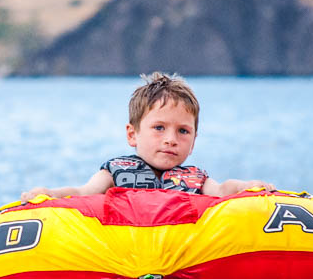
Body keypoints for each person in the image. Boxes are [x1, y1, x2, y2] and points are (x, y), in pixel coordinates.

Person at [20, 72, 272, 202]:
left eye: (183, 131)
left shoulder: (196, 178)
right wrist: (49, 193)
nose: (171, 139)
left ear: (194, 142)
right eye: (159, 128)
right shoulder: (115, 171)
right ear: (133, 134)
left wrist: (247, 186)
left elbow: (223, 190)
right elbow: (82, 192)